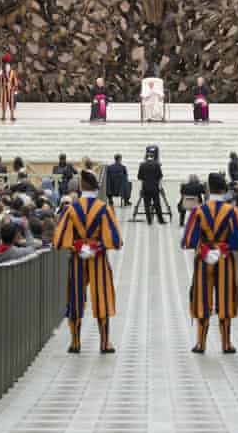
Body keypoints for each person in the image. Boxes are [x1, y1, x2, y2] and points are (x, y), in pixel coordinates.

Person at [53, 170, 123, 354]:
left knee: (75, 296)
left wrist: (77, 247)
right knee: (102, 296)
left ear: (81, 186)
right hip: (97, 256)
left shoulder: (71, 208)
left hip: (77, 257)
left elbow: (60, 238)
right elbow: (114, 238)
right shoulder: (104, 208)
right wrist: (97, 247)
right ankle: (105, 342)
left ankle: (75, 342)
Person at [182, 173, 238, 354]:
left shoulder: (199, 210)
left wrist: (203, 247)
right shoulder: (232, 211)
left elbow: (188, 240)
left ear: (208, 189)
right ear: (224, 189)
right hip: (225, 259)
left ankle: (200, 343)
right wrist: (225, 247)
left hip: (204, 259)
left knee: (202, 298)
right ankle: (226, 343)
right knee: (226, 298)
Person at [137, 149, 165, 224]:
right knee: (157, 204)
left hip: (145, 187)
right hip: (155, 187)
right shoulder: (157, 165)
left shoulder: (142, 165)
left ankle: (149, 220)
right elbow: (160, 176)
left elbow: (139, 177)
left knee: (146, 204)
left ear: (146, 157)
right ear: (153, 157)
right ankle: (160, 220)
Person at [0, 53, 18, 121]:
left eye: (8, 65)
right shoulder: (2, 71)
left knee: (12, 103)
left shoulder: (12, 72)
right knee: (4, 103)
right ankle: (3, 116)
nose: (7, 66)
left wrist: (15, 88)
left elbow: (15, 80)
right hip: (4, 89)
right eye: (6, 64)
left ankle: (12, 116)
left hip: (11, 89)